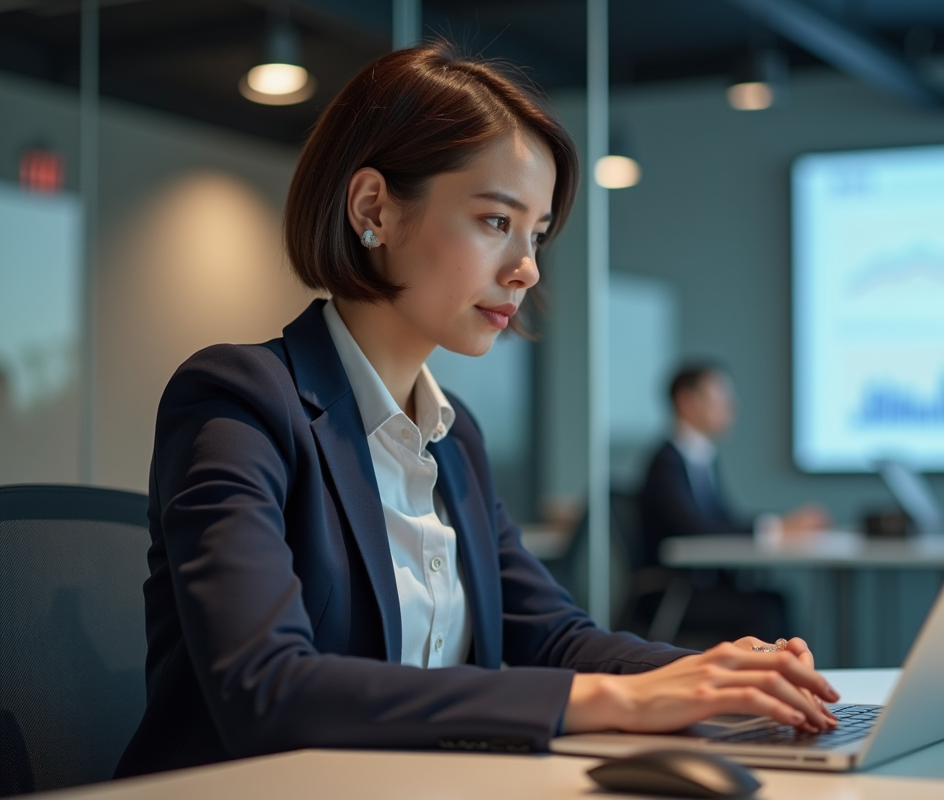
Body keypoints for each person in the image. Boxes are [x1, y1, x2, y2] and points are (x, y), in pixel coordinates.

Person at [114, 43, 839, 779]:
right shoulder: (240, 400)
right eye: (498, 221)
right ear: (374, 210)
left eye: (537, 235)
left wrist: (707, 674)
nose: (525, 268)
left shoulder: (453, 438)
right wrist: (607, 702)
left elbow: (551, 637)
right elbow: (268, 689)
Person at [639, 364, 829, 566]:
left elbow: (723, 520)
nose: (732, 406)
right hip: (682, 587)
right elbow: (696, 529)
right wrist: (775, 529)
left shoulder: (700, 457)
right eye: (721, 399)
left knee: (773, 596)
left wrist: (780, 525)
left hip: (706, 580)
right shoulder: (666, 463)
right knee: (769, 599)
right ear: (687, 403)